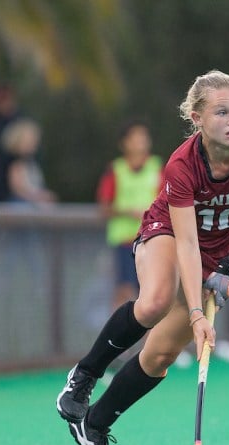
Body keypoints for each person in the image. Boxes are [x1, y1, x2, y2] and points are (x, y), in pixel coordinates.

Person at [56, 69, 229, 445]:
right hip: (169, 234)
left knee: (159, 355)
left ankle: (95, 425)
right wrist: (197, 313)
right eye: (222, 112)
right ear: (197, 118)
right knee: (156, 299)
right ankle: (85, 375)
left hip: (216, 255)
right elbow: (187, 245)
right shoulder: (182, 165)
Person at [96, 121, 164, 311]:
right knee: (124, 291)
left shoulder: (156, 167)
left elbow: (167, 201)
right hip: (124, 241)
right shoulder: (116, 170)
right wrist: (129, 211)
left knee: (151, 293)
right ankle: (116, 338)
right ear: (124, 143)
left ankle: (150, 340)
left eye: (143, 138)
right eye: (135, 138)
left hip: (151, 240)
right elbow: (105, 207)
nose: (140, 143)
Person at [0, 118, 57, 205]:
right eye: (30, 140)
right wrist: (39, 197)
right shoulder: (14, 162)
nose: (34, 144)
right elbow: (18, 189)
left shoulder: (30, 161)